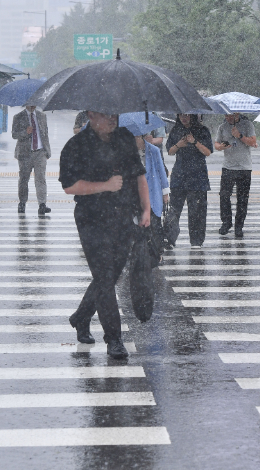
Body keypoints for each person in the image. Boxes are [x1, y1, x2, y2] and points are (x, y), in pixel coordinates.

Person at [59, 111, 151, 359]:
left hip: (122, 217)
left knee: (109, 277)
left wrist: (146, 209)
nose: (113, 118)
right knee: (103, 276)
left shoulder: (124, 137)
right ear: (91, 114)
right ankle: (114, 339)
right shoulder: (77, 144)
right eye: (107, 114)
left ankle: (81, 317)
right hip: (91, 218)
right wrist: (105, 186)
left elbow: (139, 174)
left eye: (116, 113)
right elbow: (69, 186)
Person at [162, 114, 213, 249]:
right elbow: (170, 151)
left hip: (198, 176)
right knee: (174, 210)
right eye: (181, 115)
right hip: (179, 175)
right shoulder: (176, 130)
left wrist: (194, 141)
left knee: (197, 211)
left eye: (187, 115)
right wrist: (179, 144)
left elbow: (207, 152)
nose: (184, 118)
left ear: (193, 116)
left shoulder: (203, 130)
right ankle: (169, 239)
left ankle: (196, 241)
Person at [214, 112, 257, 237]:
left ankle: (239, 225)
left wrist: (240, 136)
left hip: (244, 167)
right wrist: (221, 147)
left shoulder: (248, 125)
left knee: (242, 198)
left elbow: (253, 142)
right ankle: (226, 222)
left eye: (231, 116)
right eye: (226, 115)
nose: (228, 118)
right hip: (228, 166)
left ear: (237, 114)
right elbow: (216, 144)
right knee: (224, 195)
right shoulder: (222, 127)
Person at [12, 105, 52, 215]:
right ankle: (22, 203)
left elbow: (45, 134)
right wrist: (26, 132)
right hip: (25, 153)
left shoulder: (42, 116)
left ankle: (42, 204)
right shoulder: (18, 117)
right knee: (24, 179)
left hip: (40, 152)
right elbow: (14, 134)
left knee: (41, 179)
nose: (32, 104)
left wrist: (47, 151)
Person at [136, 134, 170, 262]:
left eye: (137, 136)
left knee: (155, 225)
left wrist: (165, 193)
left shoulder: (154, 150)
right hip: (136, 195)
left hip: (153, 193)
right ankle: (140, 254)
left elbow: (161, 171)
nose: (135, 138)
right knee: (138, 225)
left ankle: (157, 253)